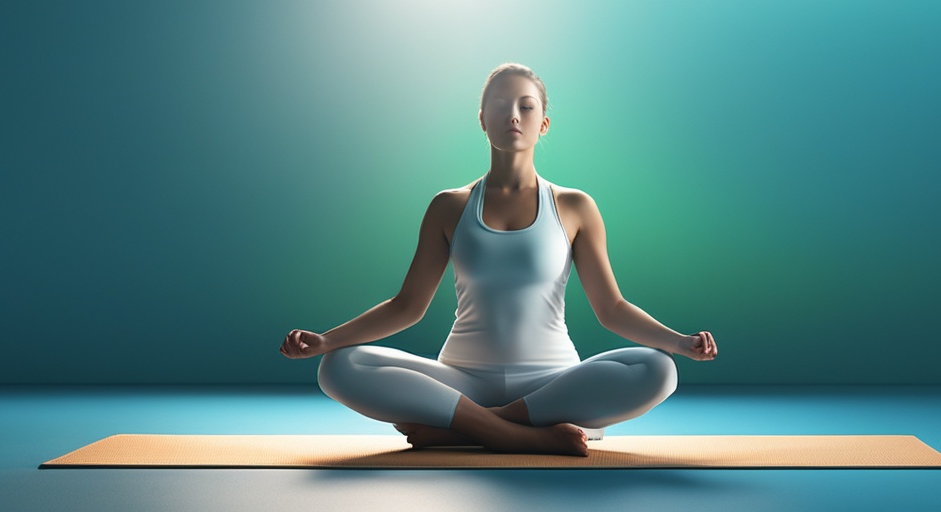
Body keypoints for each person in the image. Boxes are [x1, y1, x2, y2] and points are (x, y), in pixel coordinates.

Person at [280, 63, 718, 457]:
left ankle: (466, 430)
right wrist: (326, 340)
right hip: (461, 381)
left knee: (659, 368)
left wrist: (677, 342)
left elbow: (612, 309)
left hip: (553, 384)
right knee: (338, 365)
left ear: (543, 123)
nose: (513, 116)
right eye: (500, 106)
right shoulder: (449, 206)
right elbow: (407, 307)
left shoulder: (575, 206)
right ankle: (519, 434)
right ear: (482, 120)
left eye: (526, 107)